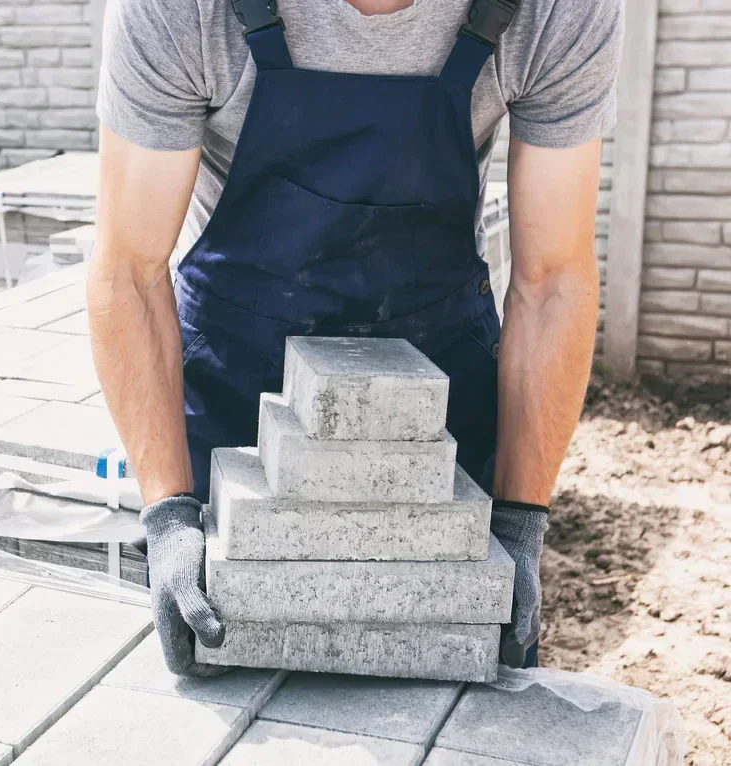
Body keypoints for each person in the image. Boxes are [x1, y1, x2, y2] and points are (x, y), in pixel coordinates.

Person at [87, 0, 623, 676]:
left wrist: (519, 522)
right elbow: (129, 271)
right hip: (236, 399)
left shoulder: (558, 10)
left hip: (437, 412)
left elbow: (553, 281)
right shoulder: (181, 10)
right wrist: (168, 512)